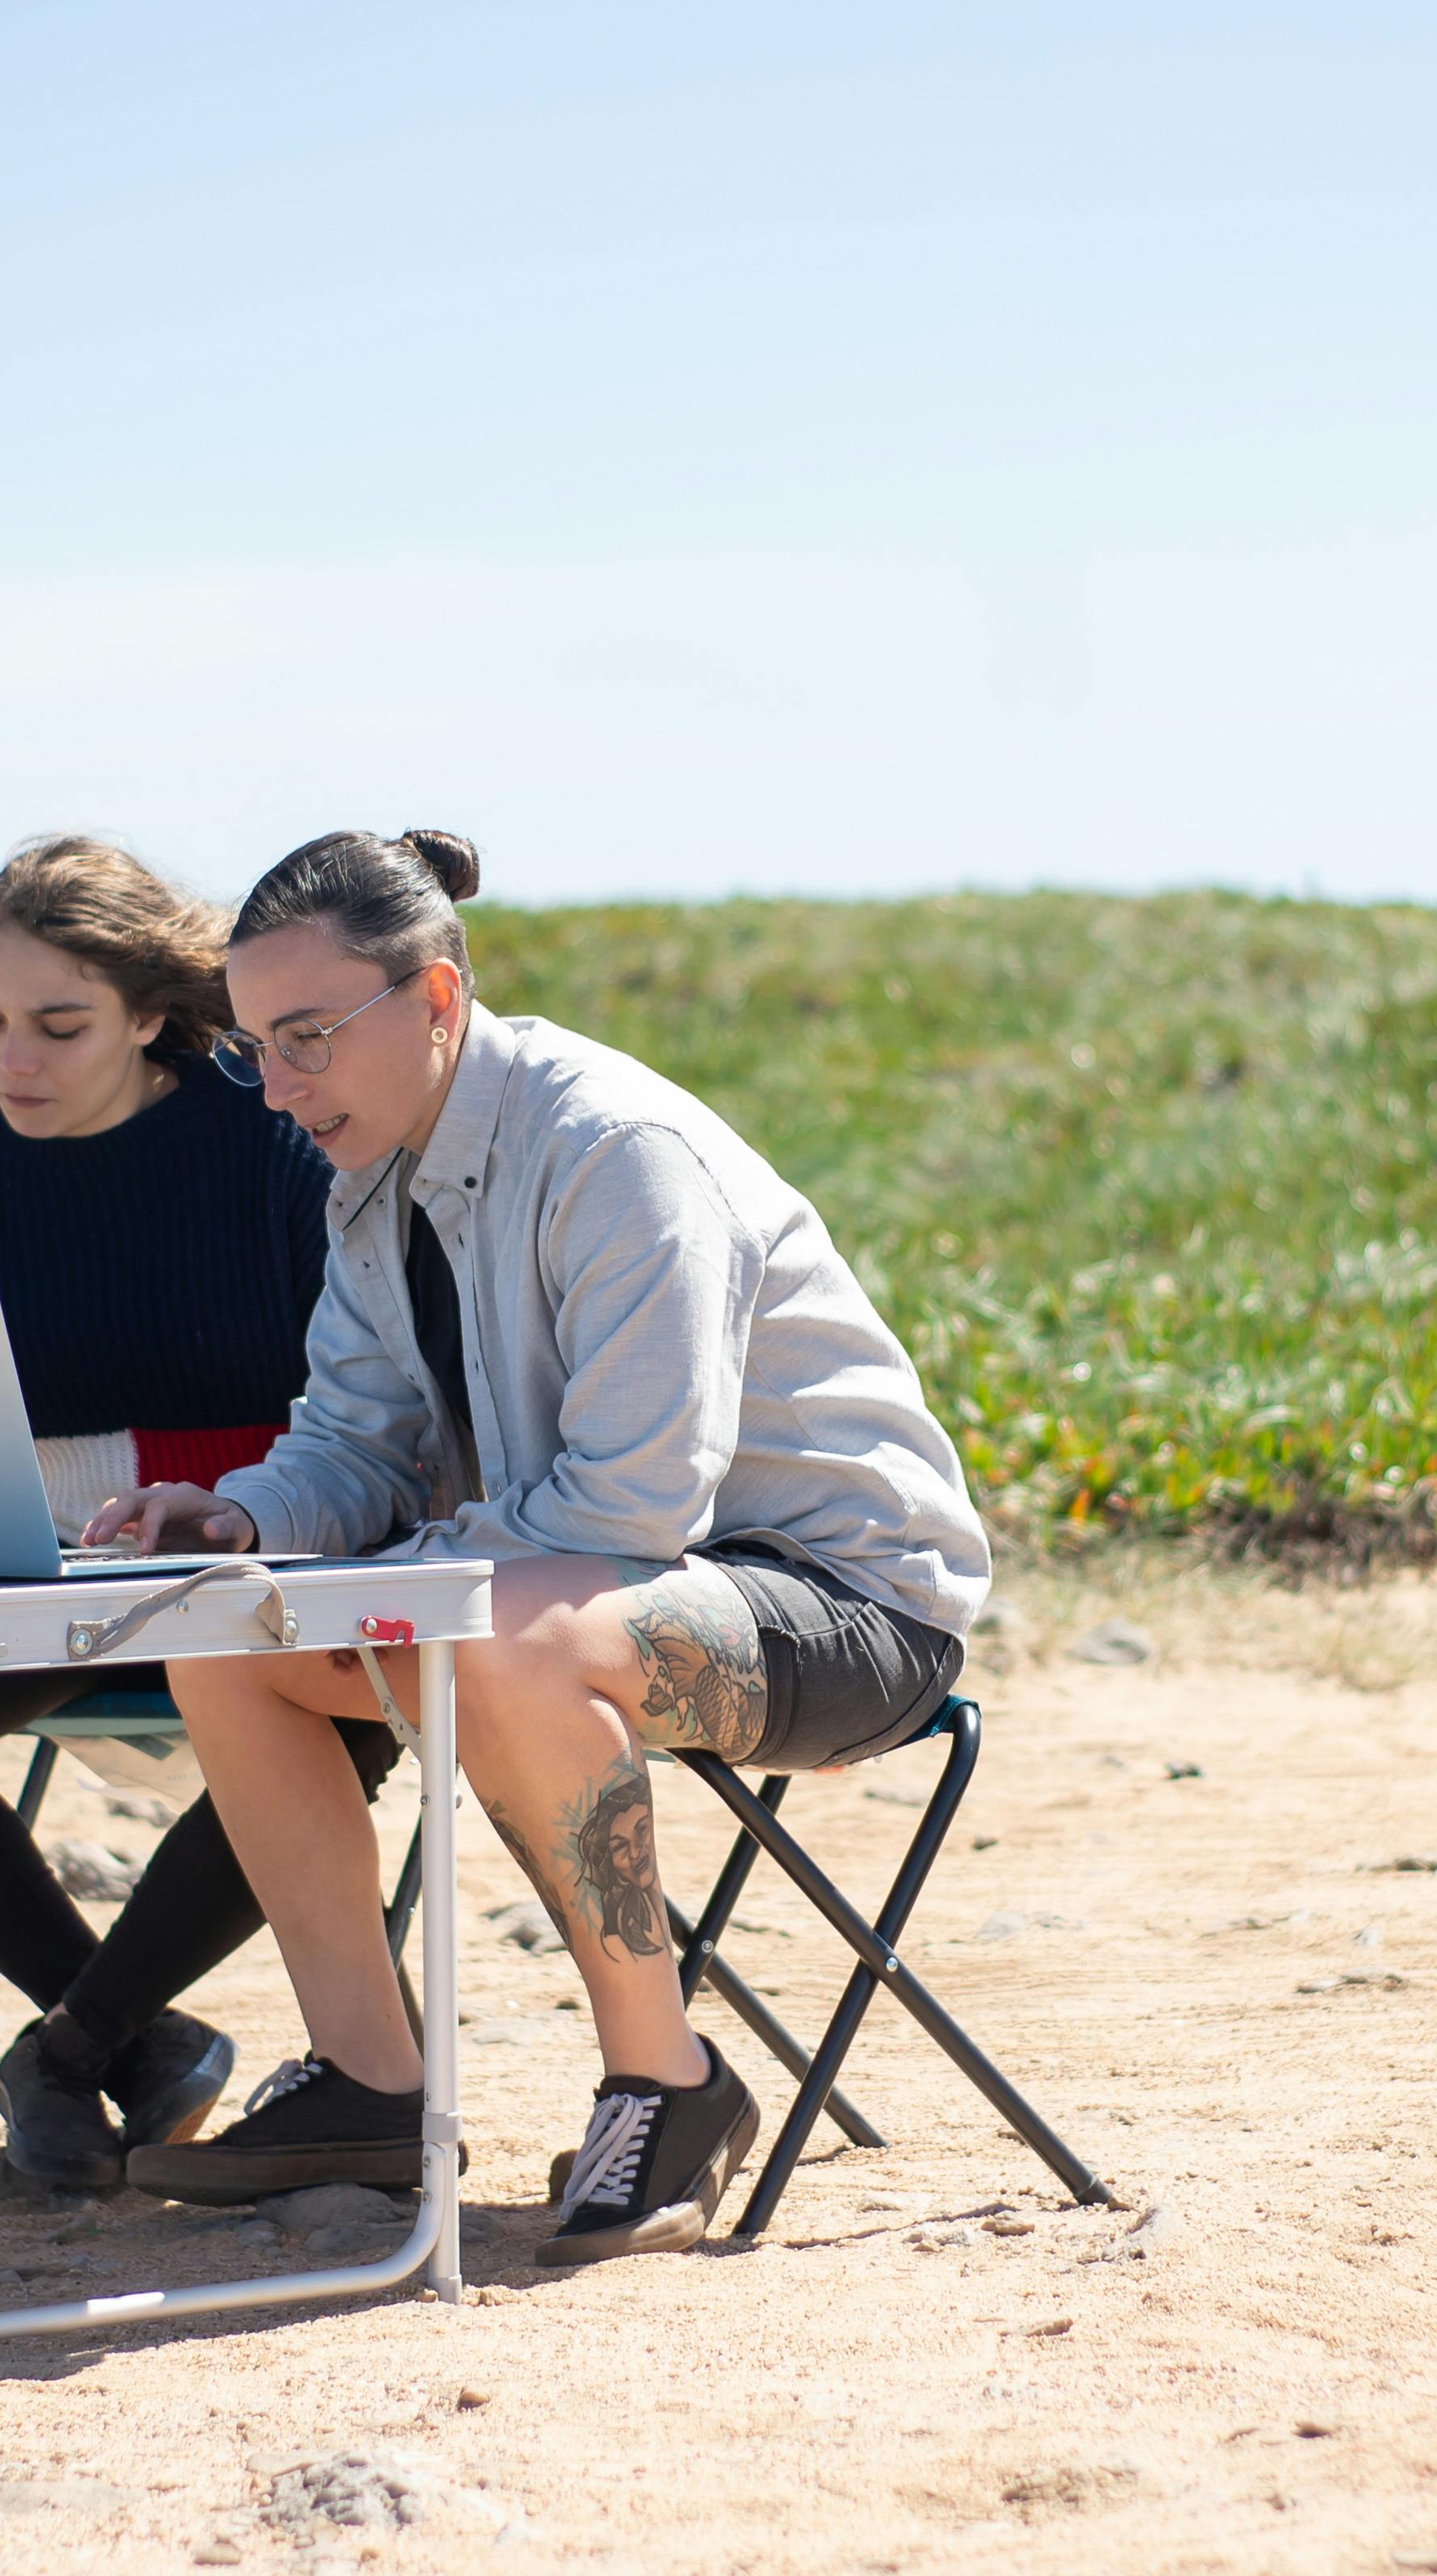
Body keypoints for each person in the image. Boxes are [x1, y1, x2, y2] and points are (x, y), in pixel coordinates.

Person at [93, 828, 988, 2263]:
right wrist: (250, 1515)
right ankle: (370, 2089)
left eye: (308, 1036)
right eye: (251, 1047)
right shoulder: (371, 1177)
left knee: (499, 1635)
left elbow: (629, 1505)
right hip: (572, 1600)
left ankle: (668, 2083)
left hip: (847, 1609)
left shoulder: (618, 1152)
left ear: (437, 1000)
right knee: (226, 1626)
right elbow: (356, 1439)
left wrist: (404, 1581)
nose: (277, 1086)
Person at [0, 834, 401, 2190]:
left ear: (152, 1013)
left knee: (345, 1715)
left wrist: (66, 1475)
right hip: (15, 1594)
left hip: (256, 1586)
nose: (11, 1060)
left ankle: (73, 2046)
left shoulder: (279, 1154)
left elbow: (352, 1435)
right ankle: (132, 2038)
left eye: (57, 1024)